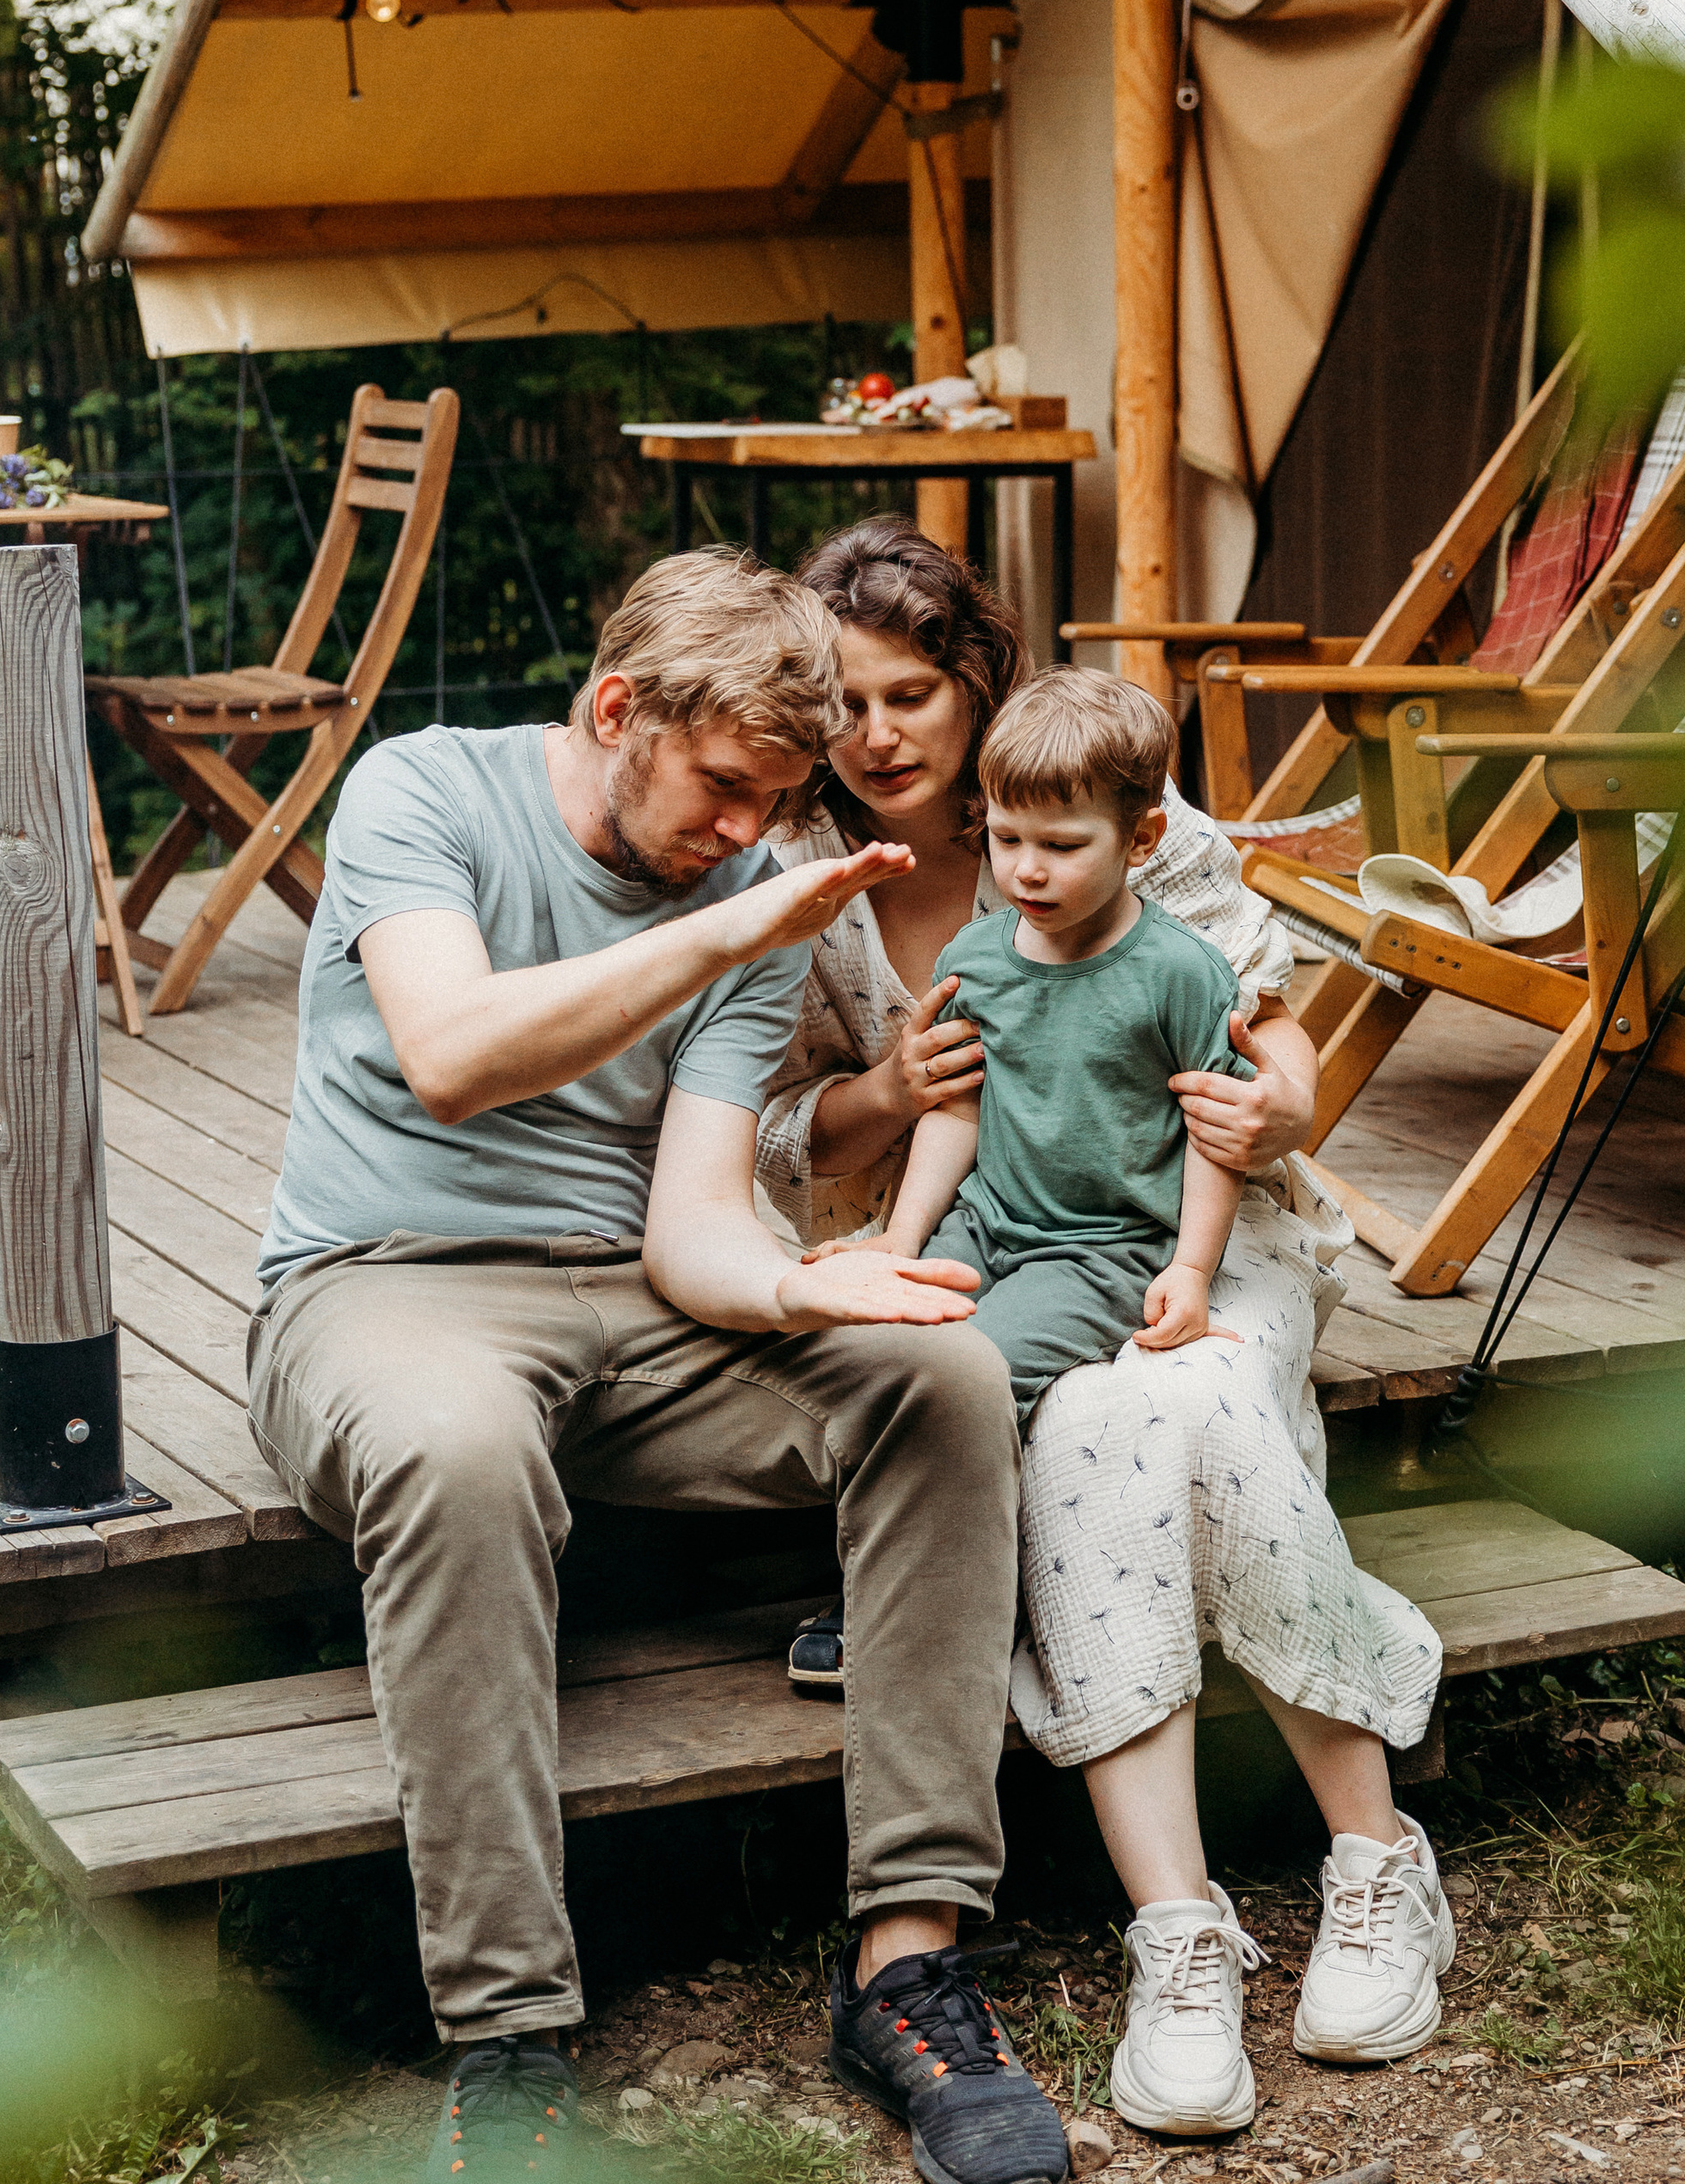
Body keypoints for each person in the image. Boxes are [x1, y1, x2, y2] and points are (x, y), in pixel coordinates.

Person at [246, 550, 1072, 2184]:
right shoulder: (424, 794)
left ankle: (908, 1963)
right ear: (619, 709)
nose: (745, 833)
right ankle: (509, 2033)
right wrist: (730, 930)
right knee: (460, 1449)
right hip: (383, 1287)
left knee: (948, 1383)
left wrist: (808, 1286)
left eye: (776, 801)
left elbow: (692, 1225)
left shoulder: (745, 885)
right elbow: (458, 1055)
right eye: (720, 789)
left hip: (633, 1306)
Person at [754, 522, 1456, 2139]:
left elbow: (1273, 1061)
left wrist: (1263, 1115)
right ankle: (1190, 1928)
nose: (876, 735)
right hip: (992, 1238)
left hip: (1203, 1238)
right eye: (843, 702)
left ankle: (1357, 1870)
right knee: (1093, 1420)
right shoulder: (792, 871)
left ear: (975, 681)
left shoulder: (1122, 803)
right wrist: (884, 1098)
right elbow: (774, 1135)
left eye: (912, 693)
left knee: (1167, 1407)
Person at [847, 668, 1255, 1419]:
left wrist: (1192, 1268)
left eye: (1063, 846)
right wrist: (902, 1239)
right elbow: (956, 1107)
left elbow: (1216, 1135)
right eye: (1006, 838)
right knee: (873, 1348)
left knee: (972, 1377)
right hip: (982, 1224)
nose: (1027, 870)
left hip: (1105, 1253)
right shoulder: (972, 959)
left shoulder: (1180, 973)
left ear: (1141, 839)